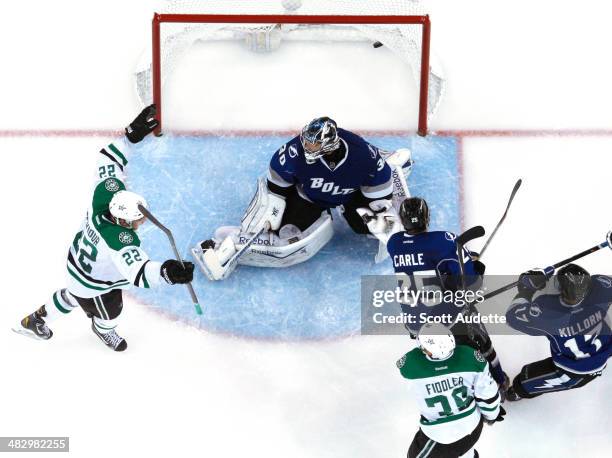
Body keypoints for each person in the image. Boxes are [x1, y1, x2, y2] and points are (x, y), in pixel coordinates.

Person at [13, 105, 194, 352]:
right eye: (136, 220)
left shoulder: (106, 193)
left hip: (77, 262)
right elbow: (138, 273)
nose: (142, 221)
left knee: (74, 295)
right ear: (123, 221)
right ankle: (102, 329)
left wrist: (130, 136)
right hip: (95, 283)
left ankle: (36, 319)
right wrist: (167, 272)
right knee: (110, 312)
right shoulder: (119, 239)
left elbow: (108, 159)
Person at [192, 116, 412, 280]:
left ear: (329, 145)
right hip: (309, 197)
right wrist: (273, 208)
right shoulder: (294, 152)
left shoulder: (362, 155)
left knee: (364, 227)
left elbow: (379, 182)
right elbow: (277, 183)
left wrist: (380, 209)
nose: (307, 146)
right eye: (307, 141)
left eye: (314, 144)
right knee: (288, 231)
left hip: (352, 194)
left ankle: (394, 163)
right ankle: (231, 244)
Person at [363, 196, 508, 388]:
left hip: (415, 323)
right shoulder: (443, 241)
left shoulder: (394, 243)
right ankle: (499, 380)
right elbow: (472, 284)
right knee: (482, 342)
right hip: (446, 320)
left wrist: (461, 260)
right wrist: (475, 266)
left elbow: (423, 262)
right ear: (427, 217)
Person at [505, 262, 612, 401]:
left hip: (573, 371)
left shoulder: (549, 314)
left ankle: (517, 392)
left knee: (525, 382)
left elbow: (512, 317)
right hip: (601, 355)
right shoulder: (603, 289)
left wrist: (527, 289)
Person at [398, 323, 505, 458]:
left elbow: (407, 365)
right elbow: (488, 394)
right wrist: (492, 414)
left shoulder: (411, 365)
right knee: (464, 451)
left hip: (442, 438)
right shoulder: (470, 356)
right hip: (473, 427)